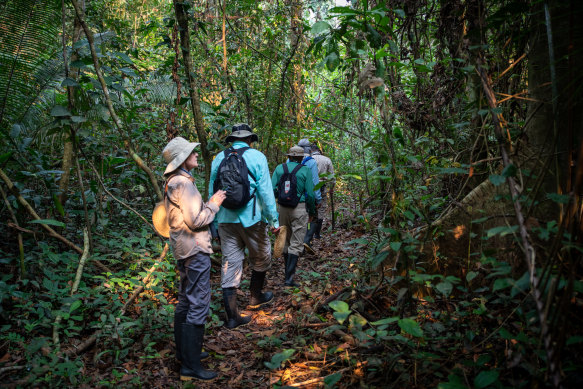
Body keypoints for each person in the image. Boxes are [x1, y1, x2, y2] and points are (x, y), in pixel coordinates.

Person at [162, 136, 226, 381]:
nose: (197, 154)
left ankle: (185, 355)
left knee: (185, 302)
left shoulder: (172, 181)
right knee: (198, 303)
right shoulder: (184, 184)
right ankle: (190, 366)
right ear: (182, 159)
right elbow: (196, 220)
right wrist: (214, 204)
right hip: (195, 249)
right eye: (192, 152)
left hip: (182, 249)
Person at [209, 123, 279, 329]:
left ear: (232, 140)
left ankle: (232, 316)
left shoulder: (218, 158)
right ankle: (255, 297)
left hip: (225, 219)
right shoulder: (257, 157)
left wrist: (212, 221)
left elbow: (213, 190)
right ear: (250, 140)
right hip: (253, 220)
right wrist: (274, 220)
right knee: (262, 256)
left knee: (230, 262)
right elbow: (266, 192)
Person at [272, 146, 316, 287]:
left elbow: (272, 189)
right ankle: (289, 279)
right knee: (296, 243)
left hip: (283, 208)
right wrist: (312, 211)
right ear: (301, 157)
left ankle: (287, 274)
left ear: (289, 156)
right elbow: (310, 193)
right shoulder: (305, 170)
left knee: (285, 239)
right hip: (300, 208)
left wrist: (280, 200)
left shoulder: (279, 168)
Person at [296, 138, 321, 253]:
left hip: (291, 197)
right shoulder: (310, 162)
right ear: (309, 149)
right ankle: (306, 240)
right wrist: (318, 198)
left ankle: (296, 245)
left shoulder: (290, 160)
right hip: (306, 197)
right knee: (312, 219)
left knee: (296, 222)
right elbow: (315, 182)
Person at [309, 143, 335, 239]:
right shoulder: (327, 159)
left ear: (311, 150)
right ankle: (317, 234)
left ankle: (309, 234)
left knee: (309, 209)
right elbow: (332, 176)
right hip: (322, 187)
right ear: (319, 150)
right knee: (321, 209)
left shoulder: (308, 160)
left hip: (310, 188)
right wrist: (332, 188)